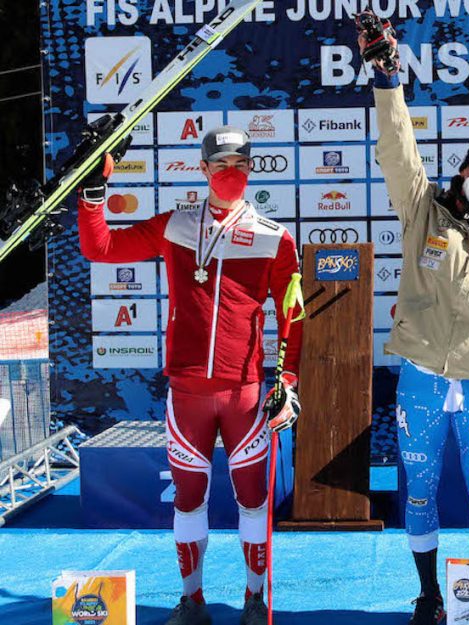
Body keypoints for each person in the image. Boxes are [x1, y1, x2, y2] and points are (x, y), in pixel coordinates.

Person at [77, 125, 303, 625]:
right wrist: (94, 195)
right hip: (187, 394)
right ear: (202, 170)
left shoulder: (274, 238)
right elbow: (101, 249)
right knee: (187, 500)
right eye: (220, 165)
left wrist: (287, 386)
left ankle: (253, 598)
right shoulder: (175, 225)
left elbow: (294, 317)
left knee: (252, 498)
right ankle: (192, 601)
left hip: (244, 393)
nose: (231, 174)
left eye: (240, 165)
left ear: (251, 170)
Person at [358, 14, 469, 625]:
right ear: (462, 169)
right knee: (417, 489)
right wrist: (388, 81)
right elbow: (397, 150)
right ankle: (429, 596)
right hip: (421, 378)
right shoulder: (425, 209)